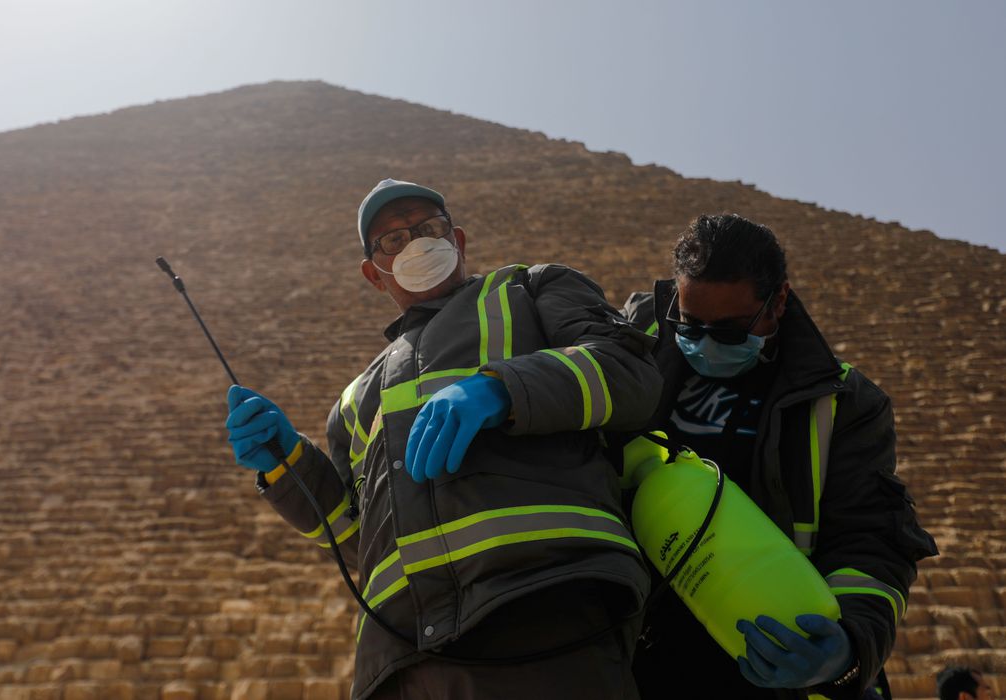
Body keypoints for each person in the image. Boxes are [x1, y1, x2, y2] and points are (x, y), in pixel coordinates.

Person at [223, 179, 663, 700]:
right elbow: (354, 538)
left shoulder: (530, 290)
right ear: (372, 272)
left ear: (456, 237)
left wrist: (501, 388)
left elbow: (630, 371)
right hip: (400, 656)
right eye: (392, 239)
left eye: (428, 228)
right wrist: (287, 464)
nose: (415, 242)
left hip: (543, 610)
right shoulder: (353, 401)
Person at [614, 214, 937, 699]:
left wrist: (848, 645)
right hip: (629, 653)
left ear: (778, 301)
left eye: (726, 331)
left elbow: (871, 537)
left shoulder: (842, 402)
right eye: (689, 323)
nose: (702, 341)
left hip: (760, 664)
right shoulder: (627, 357)